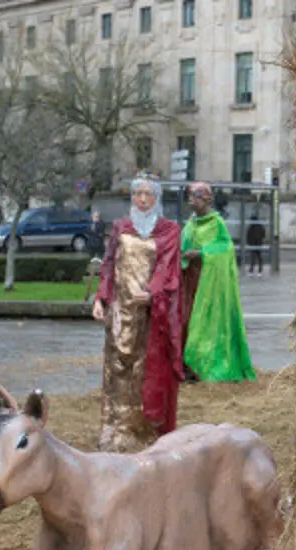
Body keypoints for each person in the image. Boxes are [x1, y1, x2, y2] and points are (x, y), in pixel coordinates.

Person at [92, 173, 184, 453]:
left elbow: (168, 266)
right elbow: (109, 265)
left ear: (157, 198)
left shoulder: (169, 230)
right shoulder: (121, 227)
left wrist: (155, 291)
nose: (142, 200)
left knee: (146, 370)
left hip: (150, 312)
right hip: (121, 309)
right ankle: (116, 425)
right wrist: (101, 299)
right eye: (137, 194)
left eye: (148, 194)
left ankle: (143, 427)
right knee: (118, 366)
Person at [180, 182, 256, 383]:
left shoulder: (216, 223)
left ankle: (206, 366)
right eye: (189, 196)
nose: (191, 201)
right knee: (187, 322)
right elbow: (181, 245)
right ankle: (188, 366)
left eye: (195, 196)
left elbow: (226, 249)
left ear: (206, 199)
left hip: (209, 284)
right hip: (190, 283)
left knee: (207, 324)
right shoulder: (190, 224)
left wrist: (202, 253)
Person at [246, 211, 266, 277]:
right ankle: (259, 270)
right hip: (259, 244)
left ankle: (251, 270)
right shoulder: (260, 226)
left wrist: (249, 243)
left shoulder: (251, 227)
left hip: (253, 244)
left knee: (253, 258)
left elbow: (248, 236)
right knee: (259, 257)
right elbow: (263, 234)